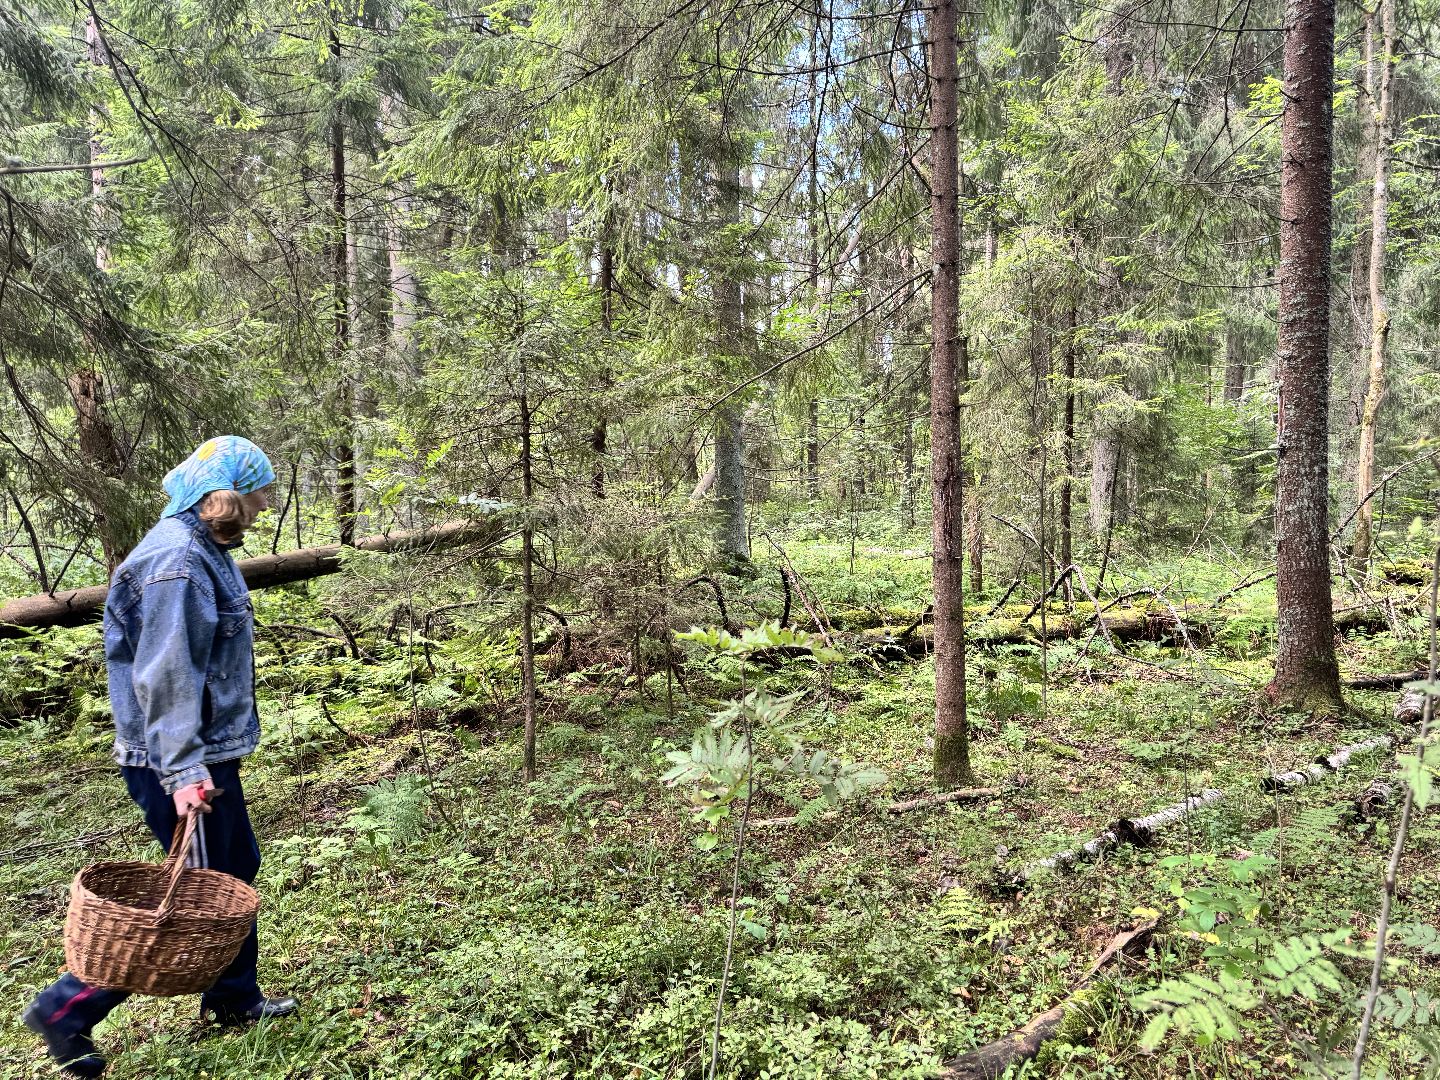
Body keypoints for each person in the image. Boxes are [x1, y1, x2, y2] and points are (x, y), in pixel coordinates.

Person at [23, 436, 298, 1078]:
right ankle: (67, 1008)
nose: (261, 508)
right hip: (177, 761)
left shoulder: (202, 548)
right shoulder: (175, 563)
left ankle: (232, 999)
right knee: (193, 896)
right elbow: (166, 678)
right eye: (257, 496)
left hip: (198, 753)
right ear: (224, 498)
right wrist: (184, 773)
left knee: (232, 868)